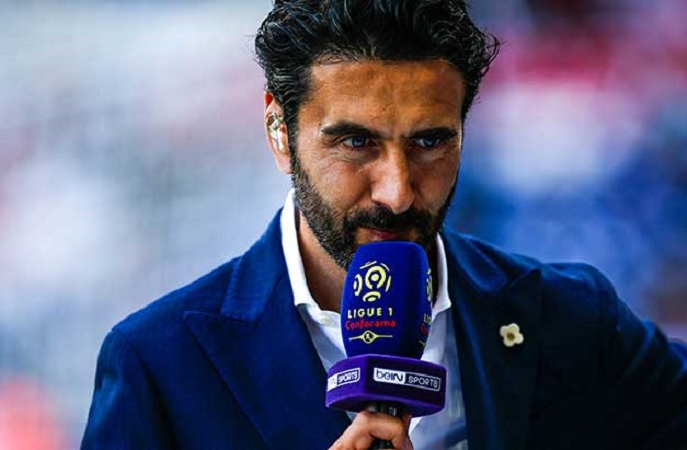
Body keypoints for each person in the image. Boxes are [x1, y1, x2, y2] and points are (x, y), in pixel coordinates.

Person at [81, 1, 687, 449]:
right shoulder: (159, 364)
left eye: (429, 142)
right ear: (279, 131)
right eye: (355, 143)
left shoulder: (568, 319)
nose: (397, 192)